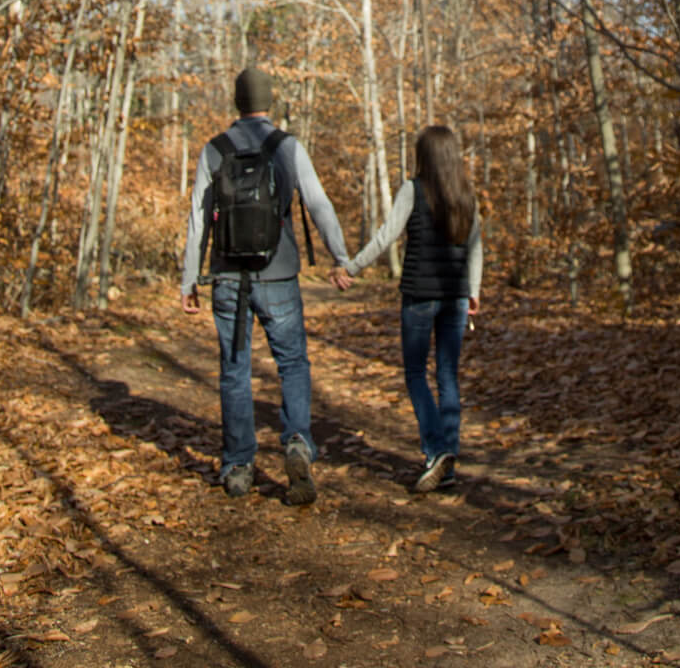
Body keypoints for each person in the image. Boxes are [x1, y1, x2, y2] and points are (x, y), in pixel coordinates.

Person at [181, 66, 351, 504]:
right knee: (292, 362)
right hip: (279, 274)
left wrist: (188, 278)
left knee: (234, 369)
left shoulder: (214, 149)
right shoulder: (286, 147)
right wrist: (341, 256)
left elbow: (199, 219)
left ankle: (238, 464)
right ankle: (296, 442)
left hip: (227, 277)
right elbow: (318, 203)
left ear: (236, 101)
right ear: (269, 100)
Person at [333, 124, 482, 493]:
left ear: (424, 157)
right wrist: (474, 291)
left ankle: (437, 450)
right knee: (447, 375)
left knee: (416, 373)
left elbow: (387, 236)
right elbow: (477, 246)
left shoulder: (413, 190)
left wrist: (351, 267)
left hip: (419, 296)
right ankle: (446, 460)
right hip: (457, 296)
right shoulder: (467, 193)